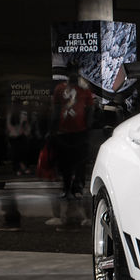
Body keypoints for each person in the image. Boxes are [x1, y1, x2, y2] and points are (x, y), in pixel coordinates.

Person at [51, 67, 94, 197]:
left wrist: (88, 126)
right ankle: (67, 187)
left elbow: (90, 109)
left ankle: (77, 188)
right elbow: (56, 109)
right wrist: (54, 128)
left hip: (79, 131)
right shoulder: (60, 88)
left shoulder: (84, 89)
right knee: (66, 162)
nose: (74, 74)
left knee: (79, 161)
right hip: (64, 131)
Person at [6, 99, 31, 175]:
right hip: (14, 136)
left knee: (22, 152)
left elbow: (26, 125)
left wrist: (26, 132)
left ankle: (21, 167)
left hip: (20, 136)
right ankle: (19, 168)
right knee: (16, 153)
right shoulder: (11, 114)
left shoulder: (23, 114)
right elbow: (9, 126)